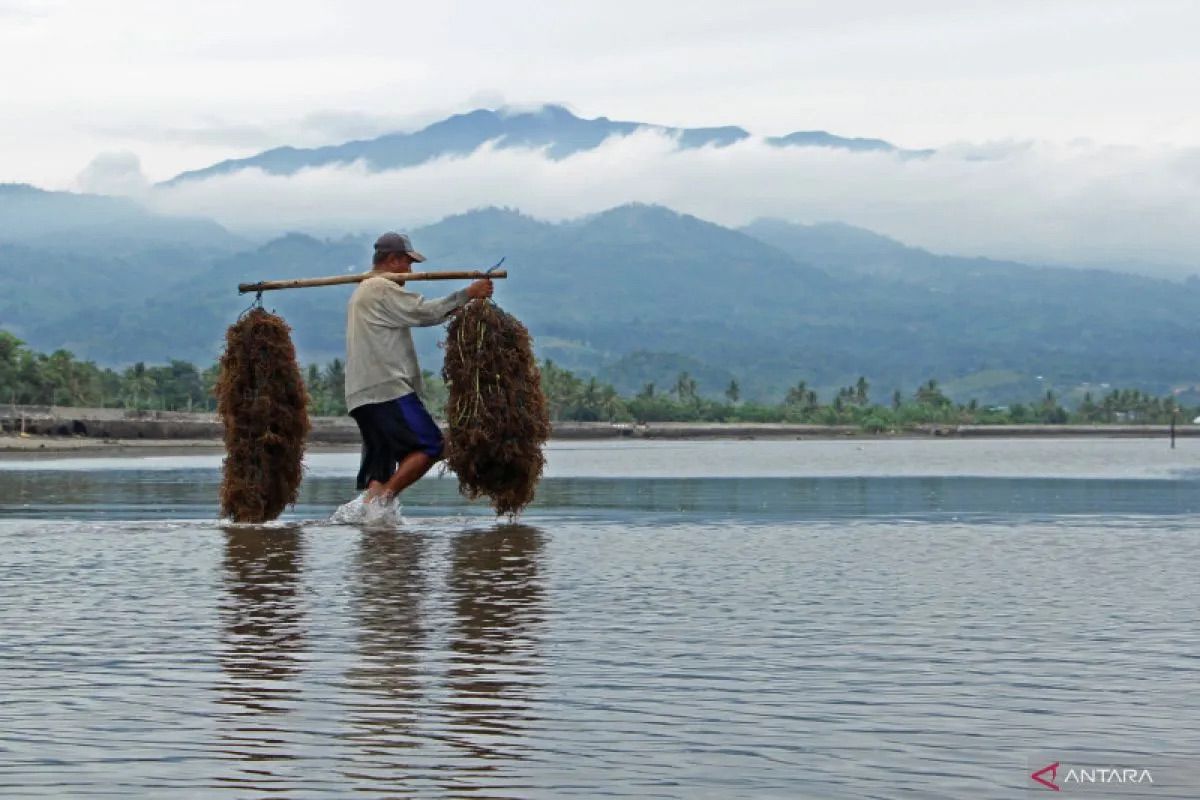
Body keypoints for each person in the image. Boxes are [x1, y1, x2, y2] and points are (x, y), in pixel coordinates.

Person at [345, 231, 493, 504]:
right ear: (392, 260)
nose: (410, 271)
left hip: (361, 395)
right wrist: (468, 294)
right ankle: (383, 502)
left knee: (381, 464)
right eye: (408, 263)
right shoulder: (379, 287)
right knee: (431, 445)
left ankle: (373, 522)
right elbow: (425, 312)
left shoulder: (363, 291)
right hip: (385, 389)